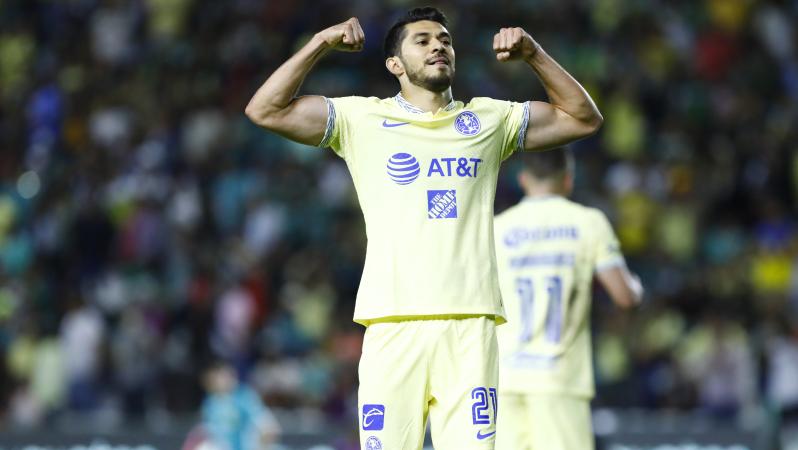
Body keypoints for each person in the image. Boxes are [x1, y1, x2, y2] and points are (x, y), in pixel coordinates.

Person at [244, 7, 602, 449]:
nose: (438, 45)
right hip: (392, 325)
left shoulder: (489, 120)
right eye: (423, 40)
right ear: (395, 64)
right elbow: (264, 109)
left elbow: (583, 118)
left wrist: (533, 54)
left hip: (470, 327)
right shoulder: (361, 120)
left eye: (445, 40)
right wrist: (320, 43)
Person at [492, 148, 643, 450]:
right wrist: (636, 286)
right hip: (558, 380)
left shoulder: (497, 227)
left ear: (523, 179)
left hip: (504, 380)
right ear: (568, 179)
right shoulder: (588, 222)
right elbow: (624, 296)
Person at [190, 360, 281, 450]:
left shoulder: (244, 397)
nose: (221, 381)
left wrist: (261, 444)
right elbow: (209, 431)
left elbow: (269, 427)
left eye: (224, 376)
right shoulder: (210, 403)